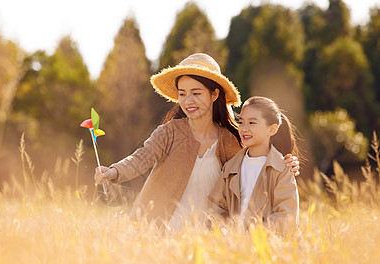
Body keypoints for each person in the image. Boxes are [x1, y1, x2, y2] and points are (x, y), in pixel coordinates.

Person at [94, 53, 299, 230]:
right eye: (182, 94)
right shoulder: (169, 132)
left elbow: (255, 163)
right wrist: (113, 172)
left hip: (205, 236)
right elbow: (141, 158)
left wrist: (287, 163)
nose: (188, 101)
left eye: (196, 93)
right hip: (157, 229)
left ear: (214, 94)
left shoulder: (230, 139)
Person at [209, 96, 299, 237]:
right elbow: (216, 208)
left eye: (252, 123)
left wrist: (252, 236)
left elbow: (286, 216)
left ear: (272, 129)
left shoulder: (281, 168)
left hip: (265, 248)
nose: (244, 129)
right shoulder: (230, 168)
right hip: (231, 247)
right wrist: (225, 234)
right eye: (241, 122)